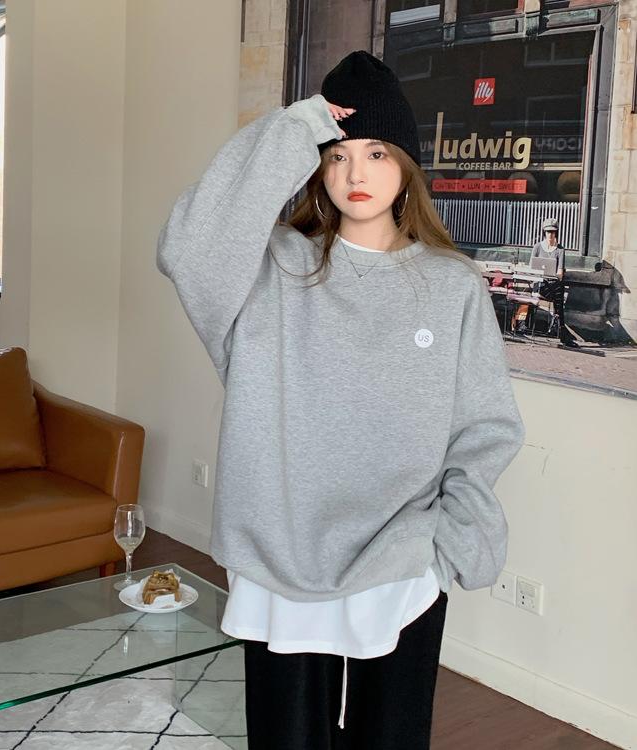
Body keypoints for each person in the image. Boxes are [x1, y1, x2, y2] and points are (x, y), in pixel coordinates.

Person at [157, 50, 526, 749]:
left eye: (377, 154)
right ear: (317, 166)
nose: (356, 174)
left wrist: (453, 543)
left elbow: (483, 427)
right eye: (338, 155)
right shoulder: (270, 269)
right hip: (280, 558)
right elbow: (187, 246)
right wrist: (296, 128)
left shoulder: (452, 285)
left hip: (404, 557)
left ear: (406, 166)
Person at [529, 217, 579, 347]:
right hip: (541, 284)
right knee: (559, 294)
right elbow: (532, 268)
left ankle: (559, 326)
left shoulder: (560, 250)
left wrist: (555, 274)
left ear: (556, 233)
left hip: (554, 284)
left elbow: (560, 273)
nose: (550, 235)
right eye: (548, 232)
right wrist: (542, 274)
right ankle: (562, 330)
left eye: (553, 232)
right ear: (544, 232)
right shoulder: (537, 247)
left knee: (558, 287)